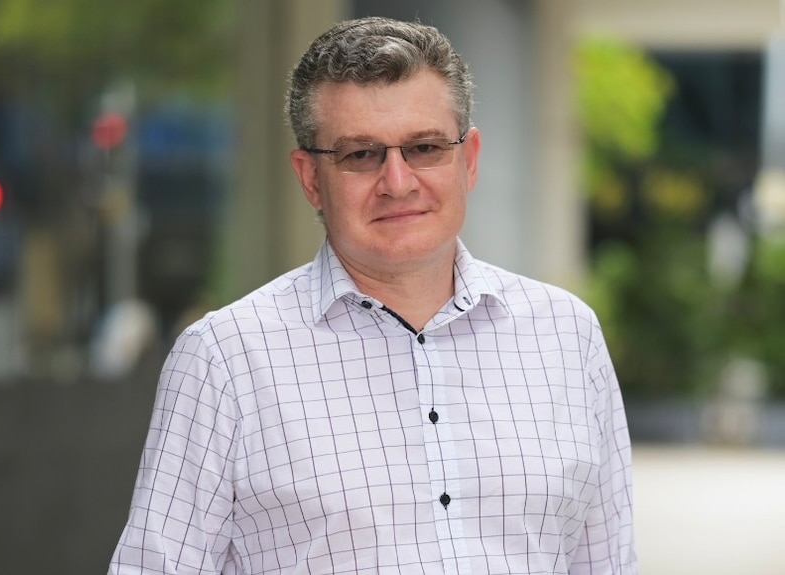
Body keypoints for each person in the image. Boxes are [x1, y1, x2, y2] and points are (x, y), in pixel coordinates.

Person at [108, 16, 637, 575]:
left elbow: (608, 563)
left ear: (469, 159)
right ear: (311, 177)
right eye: (361, 155)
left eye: (425, 147)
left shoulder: (567, 336)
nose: (398, 181)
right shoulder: (225, 358)